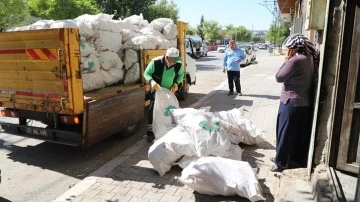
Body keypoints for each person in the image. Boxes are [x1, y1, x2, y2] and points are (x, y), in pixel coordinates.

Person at [272, 33, 319, 172]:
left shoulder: (295, 60)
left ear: (294, 48)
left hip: (291, 102)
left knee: (285, 133)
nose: (287, 51)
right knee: (296, 134)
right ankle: (292, 159)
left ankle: (280, 162)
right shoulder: (308, 58)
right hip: (302, 103)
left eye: (288, 48)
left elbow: (279, 77)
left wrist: (286, 60)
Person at [143, 47, 185, 143]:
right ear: (167, 57)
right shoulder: (156, 62)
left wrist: (176, 84)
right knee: (154, 108)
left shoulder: (178, 65)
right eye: (173, 60)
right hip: (157, 89)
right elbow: (147, 73)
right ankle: (150, 132)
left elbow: (180, 75)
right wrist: (152, 81)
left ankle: (166, 127)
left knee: (169, 109)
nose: (174, 62)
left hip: (170, 91)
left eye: (176, 60)